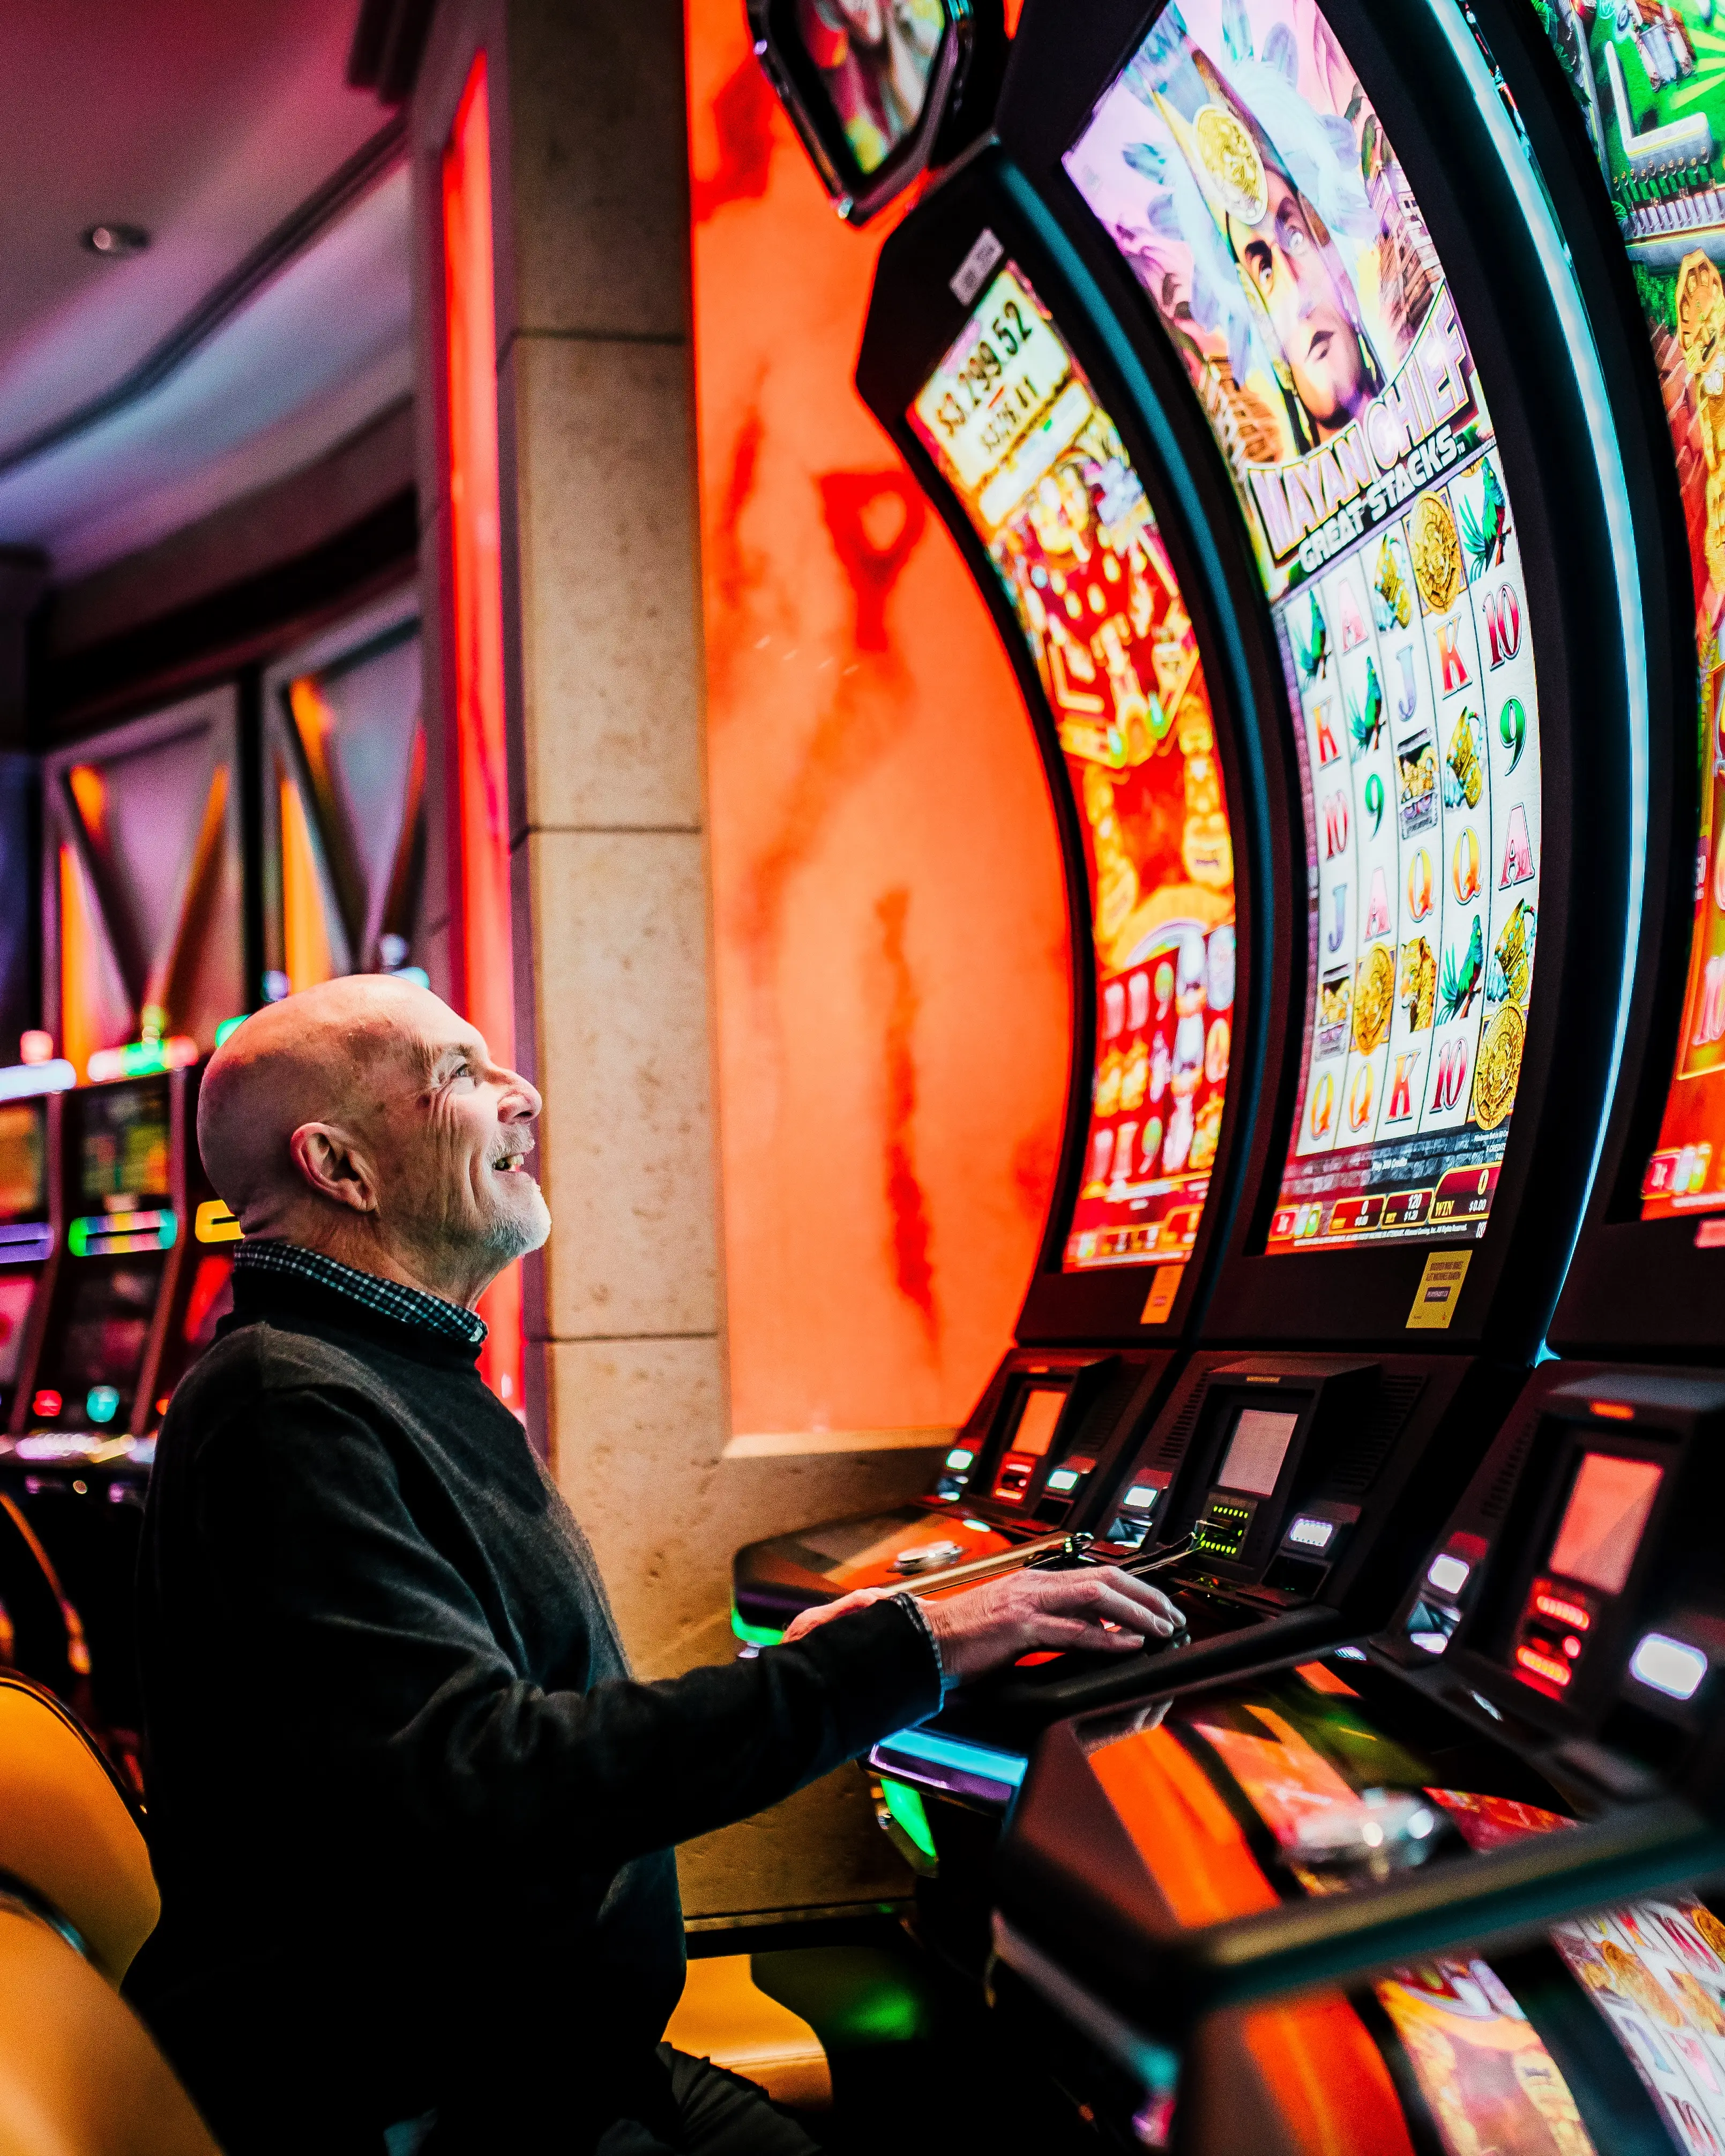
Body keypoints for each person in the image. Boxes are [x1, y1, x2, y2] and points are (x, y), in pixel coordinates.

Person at [126, 975, 1181, 2156]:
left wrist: (846, 1653)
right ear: (339, 1166)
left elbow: (510, 1731)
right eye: (462, 1076)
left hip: (556, 2065)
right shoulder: (288, 1404)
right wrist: (896, 1653)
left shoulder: (383, 1367)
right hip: (440, 2109)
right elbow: (482, 1780)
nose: (523, 1095)